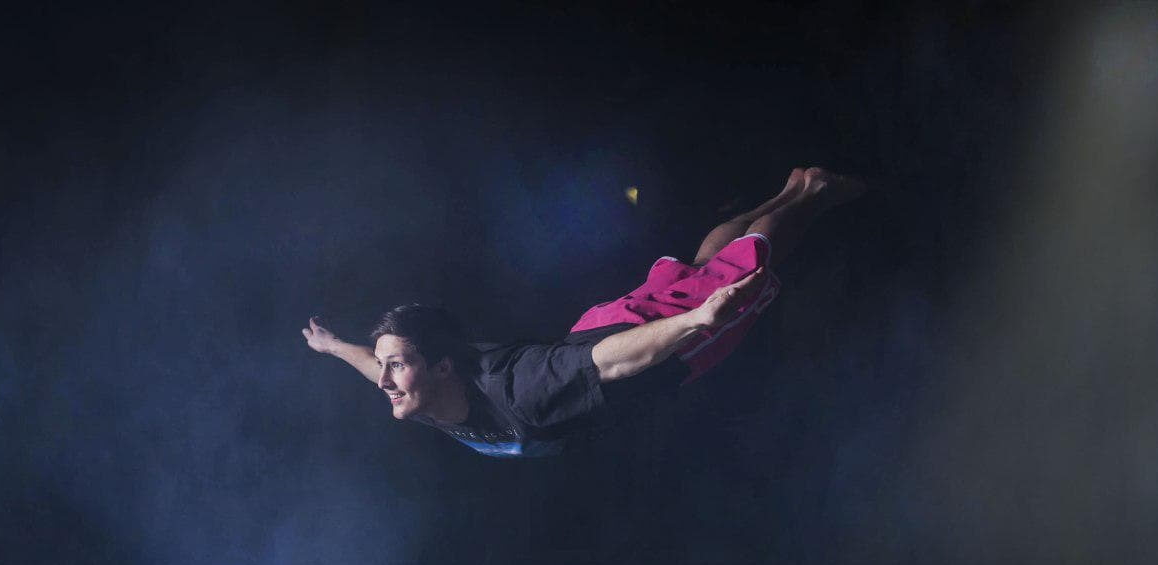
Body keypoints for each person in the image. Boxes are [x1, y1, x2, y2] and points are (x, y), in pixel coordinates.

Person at [303, 167, 865, 457]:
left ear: (441, 367)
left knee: (740, 273)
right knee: (699, 266)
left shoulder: (523, 390)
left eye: (396, 366)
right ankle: (787, 191)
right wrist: (332, 347)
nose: (384, 381)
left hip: (643, 346)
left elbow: (608, 363)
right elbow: (375, 368)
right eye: (386, 367)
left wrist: (695, 323)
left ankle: (809, 194)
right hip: (593, 332)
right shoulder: (423, 394)